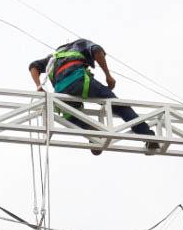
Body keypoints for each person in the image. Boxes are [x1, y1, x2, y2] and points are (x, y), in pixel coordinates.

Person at [29, 40, 158, 155]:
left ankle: (92, 132)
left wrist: (39, 86)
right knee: (118, 106)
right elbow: (97, 50)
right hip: (80, 81)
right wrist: (108, 76)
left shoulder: (52, 57)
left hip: (61, 92)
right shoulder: (79, 44)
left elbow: (33, 66)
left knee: (70, 116)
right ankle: (148, 136)